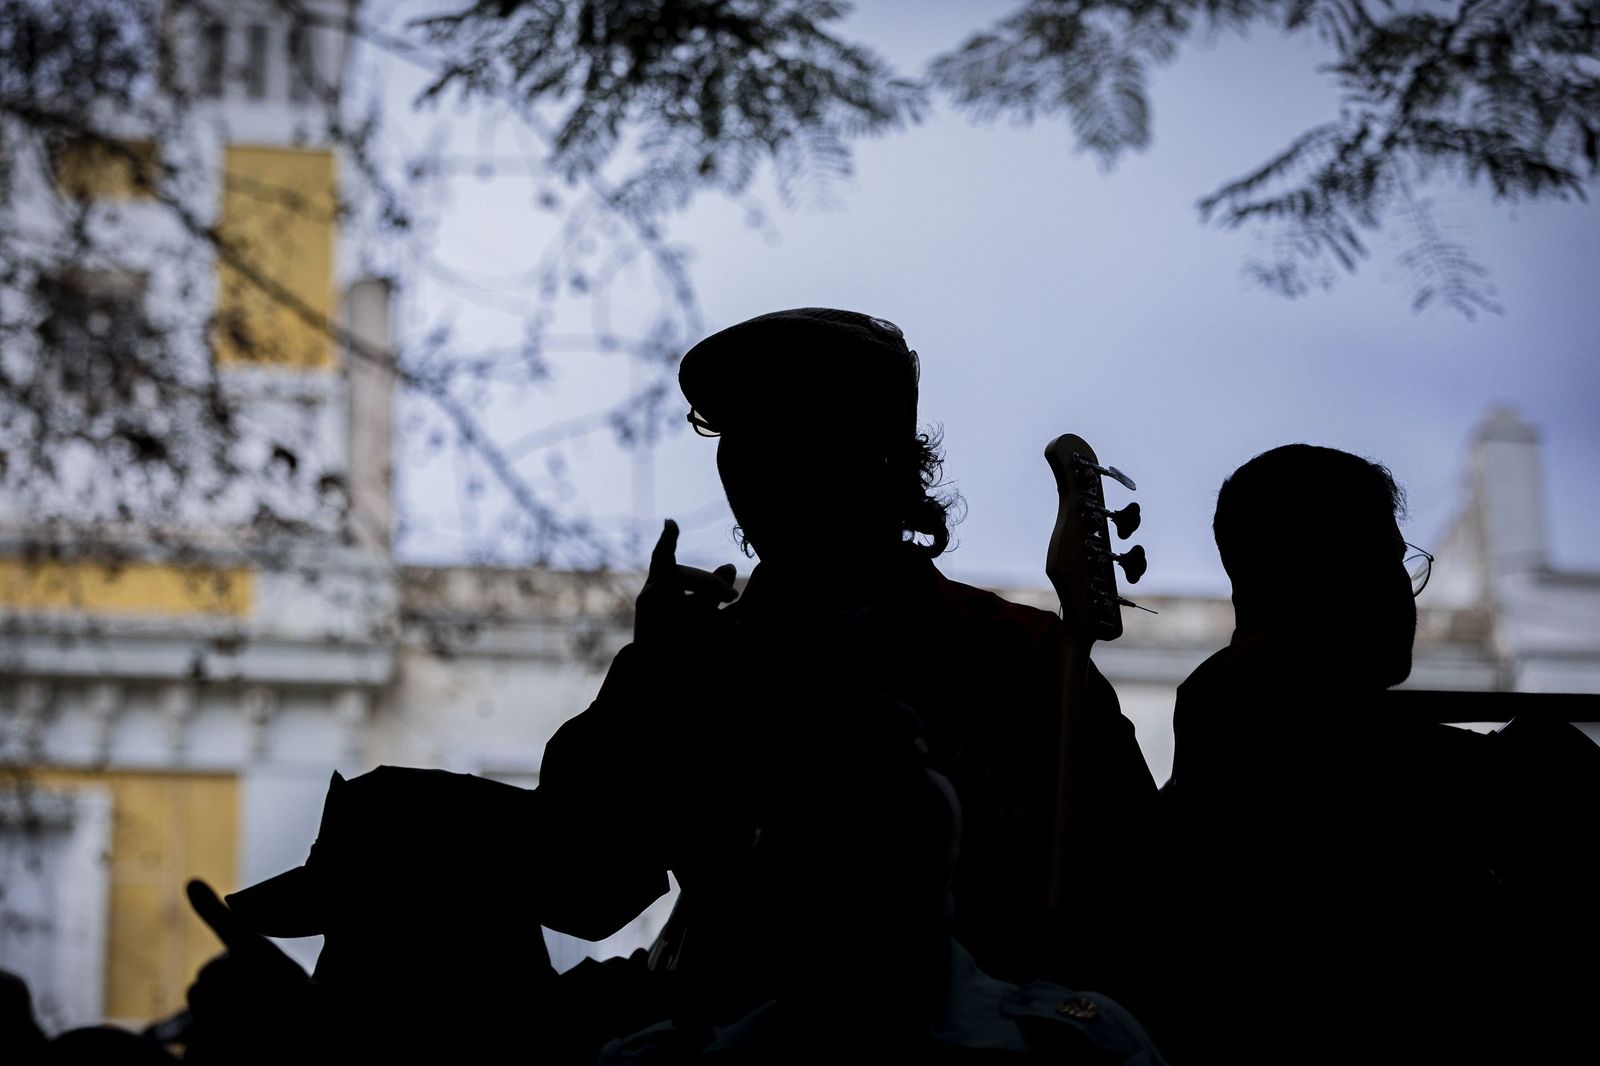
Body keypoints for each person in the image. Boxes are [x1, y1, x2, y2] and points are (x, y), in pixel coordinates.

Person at [536, 309, 1160, 1045]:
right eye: (734, 436)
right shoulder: (693, 667)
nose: (754, 469)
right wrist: (640, 691)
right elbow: (581, 891)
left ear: (883, 456)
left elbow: (1142, 909)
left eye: (794, 433)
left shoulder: (1022, 658)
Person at [1154, 444, 1555, 1063]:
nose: (1404, 593)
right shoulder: (1322, 747)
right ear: (1318, 575)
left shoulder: (1215, 733)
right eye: (1383, 562)